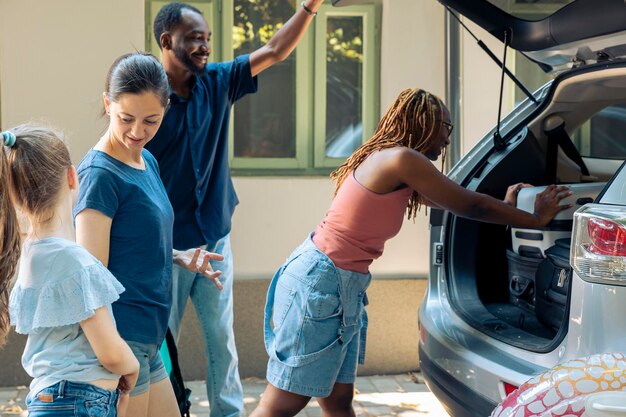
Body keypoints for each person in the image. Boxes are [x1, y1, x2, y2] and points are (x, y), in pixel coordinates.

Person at [249, 88, 572, 417]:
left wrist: (505, 206)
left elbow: (454, 202)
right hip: (322, 283)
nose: (448, 139)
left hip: (338, 283)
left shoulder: (396, 166)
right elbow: (471, 204)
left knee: (338, 399)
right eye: (446, 127)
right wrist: (534, 218)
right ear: (426, 122)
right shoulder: (402, 158)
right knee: (285, 401)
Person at [145, 2, 323, 415]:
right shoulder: (148, 98)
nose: (204, 45)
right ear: (167, 41)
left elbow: (276, 50)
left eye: (206, 38)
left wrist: (310, 7)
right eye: (194, 38)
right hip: (165, 249)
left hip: (214, 236)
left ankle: (227, 412)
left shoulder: (218, 81)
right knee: (159, 345)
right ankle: (163, 409)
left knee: (221, 339)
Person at [73, 52, 223, 417]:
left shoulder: (145, 159)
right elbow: (90, 282)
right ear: (107, 104)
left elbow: (130, 240)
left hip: (149, 340)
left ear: (166, 110)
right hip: (122, 343)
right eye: (126, 118)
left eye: (150, 120)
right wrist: (117, 358)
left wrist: (177, 256)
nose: (137, 132)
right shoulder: (99, 175)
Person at [0, 125, 140, 417]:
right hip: (80, 401)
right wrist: (133, 366)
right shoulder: (75, 261)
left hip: (44, 398)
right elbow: (110, 352)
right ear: (72, 177)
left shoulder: (28, 255)